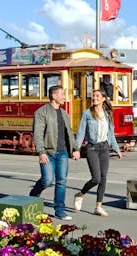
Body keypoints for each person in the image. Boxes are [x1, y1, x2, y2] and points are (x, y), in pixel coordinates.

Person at [29, 86, 80, 220]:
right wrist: (41, 152)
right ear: (53, 96)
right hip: (48, 152)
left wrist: (75, 149)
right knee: (47, 180)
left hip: (62, 152)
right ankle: (34, 193)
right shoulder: (41, 112)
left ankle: (59, 210)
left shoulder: (64, 113)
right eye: (62, 94)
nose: (65, 97)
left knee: (61, 181)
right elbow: (38, 134)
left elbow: (69, 132)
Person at [73, 89, 122, 217]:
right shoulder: (87, 113)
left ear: (103, 98)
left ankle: (98, 207)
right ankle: (80, 194)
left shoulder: (108, 114)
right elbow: (81, 132)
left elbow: (110, 133)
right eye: (93, 96)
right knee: (96, 178)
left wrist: (117, 149)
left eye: (97, 96)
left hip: (104, 148)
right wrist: (76, 149)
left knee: (103, 178)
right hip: (92, 148)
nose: (94, 98)